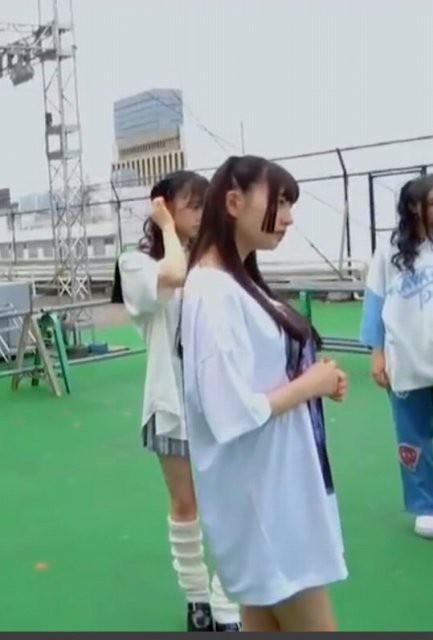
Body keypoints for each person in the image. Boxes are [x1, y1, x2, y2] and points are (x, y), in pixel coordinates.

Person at [180, 155, 348, 632]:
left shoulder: (236, 282)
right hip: (266, 504)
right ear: (234, 203)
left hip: (273, 491)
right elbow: (229, 410)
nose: (289, 218)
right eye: (281, 203)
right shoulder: (213, 290)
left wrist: (314, 381)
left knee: (264, 620)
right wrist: (308, 386)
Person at [118, 171, 241, 631]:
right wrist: (168, 227)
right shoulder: (135, 264)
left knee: (229, 503)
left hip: (219, 402)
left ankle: (226, 603)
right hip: (171, 405)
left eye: (205, 205)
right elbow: (171, 274)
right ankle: (197, 601)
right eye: (193, 205)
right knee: (185, 505)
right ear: (164, 207)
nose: (202, 214)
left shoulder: (215, 261)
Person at [360, 174, 433, 539]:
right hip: (406, 360)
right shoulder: (389, 252)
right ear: (414, 208)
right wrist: (377, 354)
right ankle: (425, 506)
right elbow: (374, 303)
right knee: (413, 436)